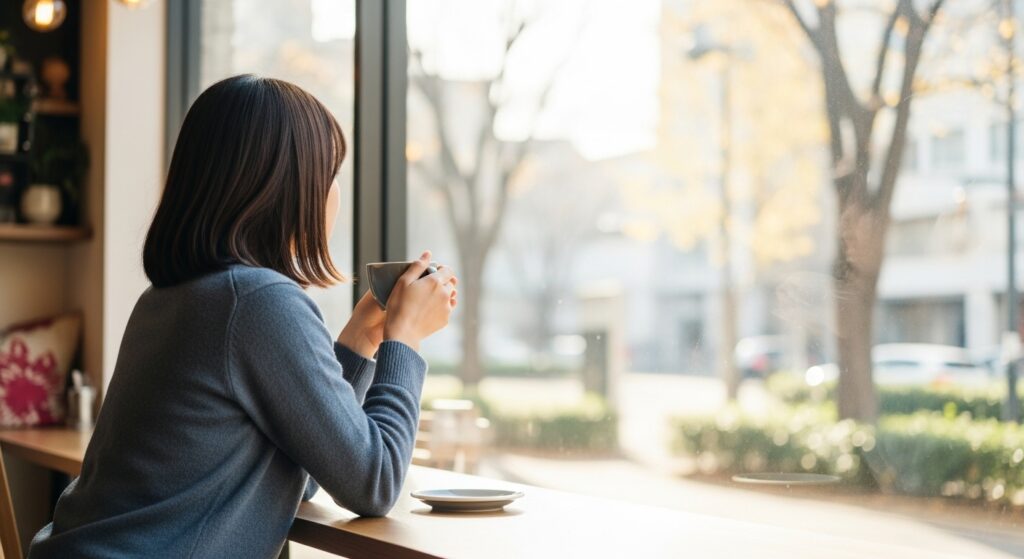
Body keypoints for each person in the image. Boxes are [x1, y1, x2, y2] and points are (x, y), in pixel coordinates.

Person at [28, 75, 458, 559]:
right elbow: (374, 483)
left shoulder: (173, 296)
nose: (336, 190)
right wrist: (404, 342)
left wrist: (361, 340)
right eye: (332, 172)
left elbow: (305, 472)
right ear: (293, 184)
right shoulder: (258, 301)